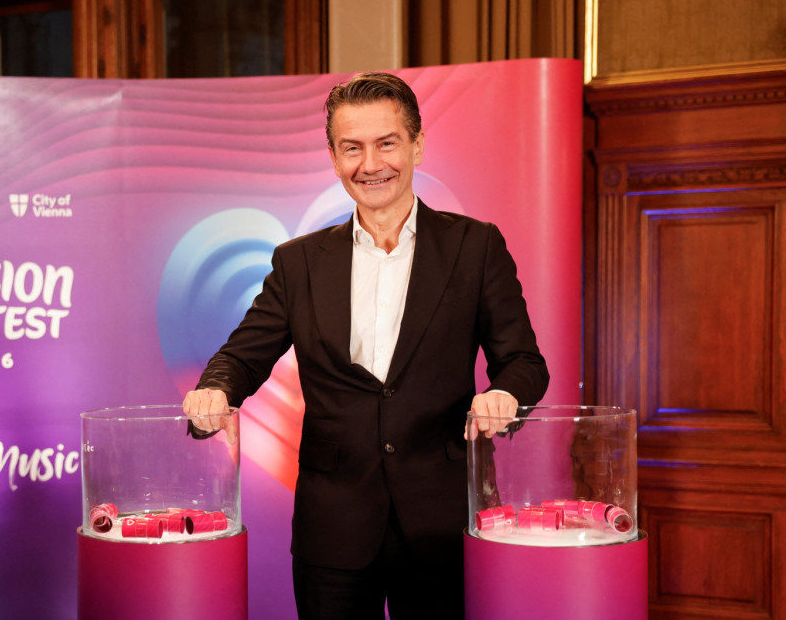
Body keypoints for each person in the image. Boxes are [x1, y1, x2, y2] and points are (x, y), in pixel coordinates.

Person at [183, 71, 548, 619]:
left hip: (443, 520)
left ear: (417, 146)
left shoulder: (475, 247)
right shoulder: (298, 262)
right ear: (334, 158)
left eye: (387, 143)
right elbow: (242, 355)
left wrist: (504, 396)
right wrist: (216, 389)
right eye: (352, 147)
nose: (370, 163)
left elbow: (523, 362)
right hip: (333, 526)